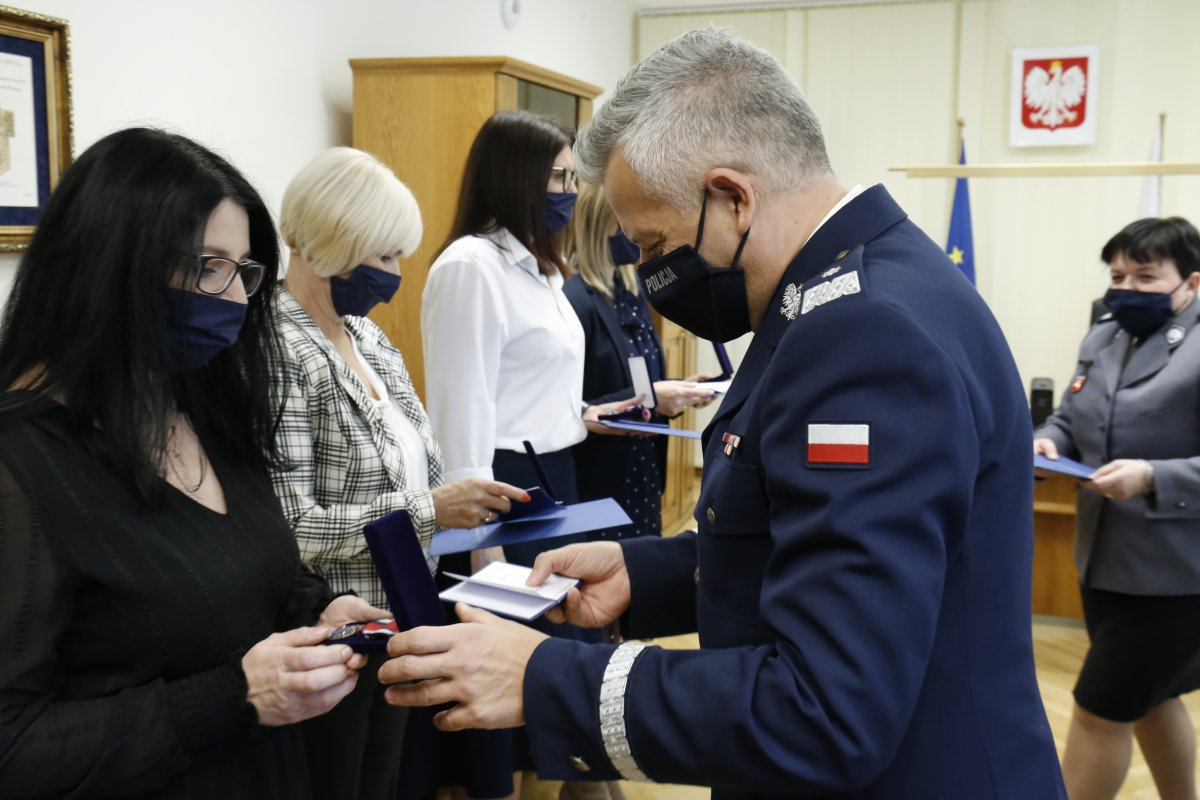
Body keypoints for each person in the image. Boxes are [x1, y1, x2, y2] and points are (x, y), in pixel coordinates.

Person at [379, 27, 1067, 800]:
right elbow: (808, 538)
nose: (652, 272)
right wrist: (649, 573)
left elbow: (825, 710)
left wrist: (547, 679)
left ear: (732, 197)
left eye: (657, 243)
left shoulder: (860, 333)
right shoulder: (859, 288)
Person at [0, 128, 388, 798]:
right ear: (110, 263)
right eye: (207, 265)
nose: (235, 300)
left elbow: (247, 572)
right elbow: (14, 747)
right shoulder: (21, 466)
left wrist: (320, 610)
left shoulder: (207, 409)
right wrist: (232, 697)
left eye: (243, 270)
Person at [270, 147, 529, 800]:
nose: (394, 275)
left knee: (385, 782)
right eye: (383, 256)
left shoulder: (368, 337)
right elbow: (289, 528)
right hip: (331, 630)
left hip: (400, 615)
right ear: (335, 241)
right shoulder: (280, 349)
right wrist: (431, 510)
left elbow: (423, 465)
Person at [419, 111, 634, 800]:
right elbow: (464, 403)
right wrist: (479, 545)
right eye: (557, 176)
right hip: (502, 492)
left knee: (565, 662)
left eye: (572, 176)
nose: (569, 190)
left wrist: (586, 414)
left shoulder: (542, 267)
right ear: (513, 177)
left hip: (558, 478)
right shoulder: (470, 266)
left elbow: (535, 382)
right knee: (505, 674)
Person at [1034, 216, 1200, 800]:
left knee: (1097, 712)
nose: (1126, 288)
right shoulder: (1104, 335)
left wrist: (1152, 477)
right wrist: (1050, 438)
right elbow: (1074, 417)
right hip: (1104, 559)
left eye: (1146, 276)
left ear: (1193, 283)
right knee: (1153, 702)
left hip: (1175, 574)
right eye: (1118, 275)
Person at [565, 183, 716, 539]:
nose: (637, 234)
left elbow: (641, 385)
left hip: (643, 470)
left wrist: (676, 394)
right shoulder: (574, 301)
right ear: (599, 223)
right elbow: (568, 407)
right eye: (627, 224)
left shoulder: (630, 294)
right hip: (599, 478)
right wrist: (651, 397)